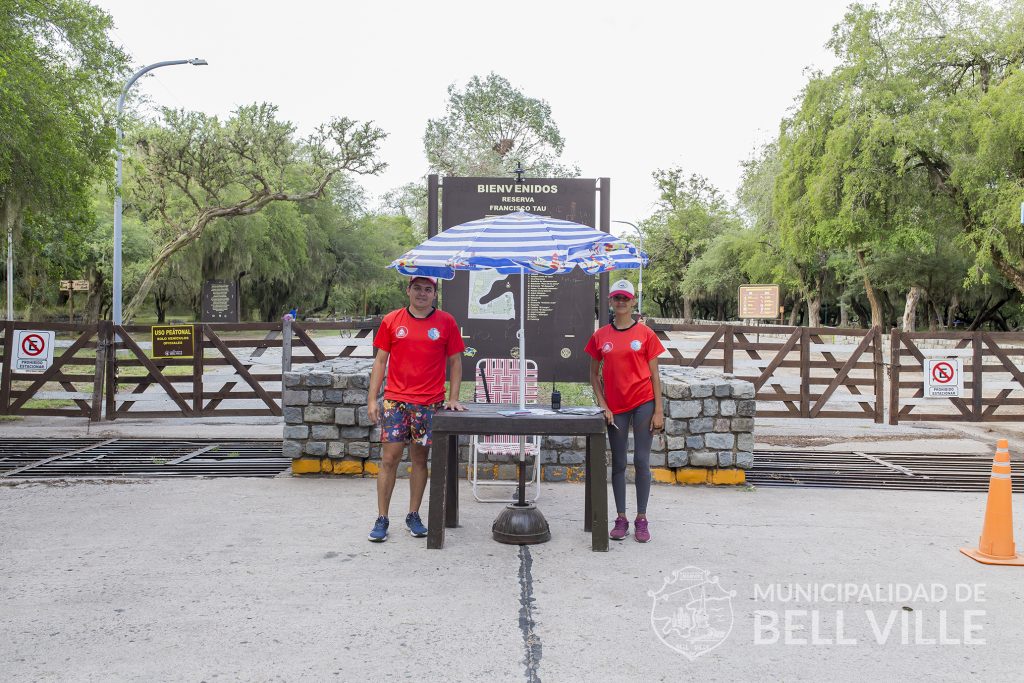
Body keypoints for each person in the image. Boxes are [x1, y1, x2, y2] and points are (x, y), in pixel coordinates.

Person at [366, 275, 466, 542]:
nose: (422, 293)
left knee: (420, 460)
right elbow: (380, 362)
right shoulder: (392, 321)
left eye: (428, 289)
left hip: (429, 403)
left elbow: (455, 361)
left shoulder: (446, 322)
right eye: (418, 288)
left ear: (435, 294)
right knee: (390, 459)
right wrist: (372, 399)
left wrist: (453, 397)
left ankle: (413, 514)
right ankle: (382, 518)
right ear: (408, 290)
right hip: (396, 401)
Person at [585, 278, 665, 543]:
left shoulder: (645, 334)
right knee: (619, 463)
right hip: (615, 407)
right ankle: (621, 518)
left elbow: (655, 375)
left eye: (625, 298)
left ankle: (642, 519)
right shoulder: (601, 336)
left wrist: (659, 411)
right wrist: (603, 405)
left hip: (643, 403)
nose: (621, 302)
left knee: (641, 461)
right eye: (616, 298)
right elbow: (594, 376)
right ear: (610, 301)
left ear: (632, 302)